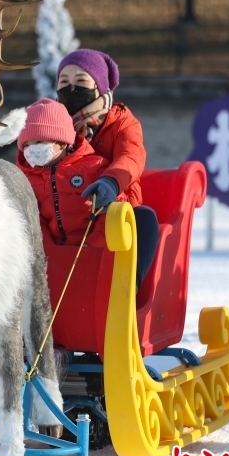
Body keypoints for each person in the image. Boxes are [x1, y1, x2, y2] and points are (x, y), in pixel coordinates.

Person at [54, 48, 159, 289]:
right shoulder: (55, 124)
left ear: (99, 87)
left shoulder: (121, 122)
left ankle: (126, 291)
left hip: (114, 210)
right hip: (67, 215)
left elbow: (131, 156)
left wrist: (111, 182)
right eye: (64, 82)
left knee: (144, 219)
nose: (71, 89)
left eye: (81, 82)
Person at [15, 98, 112, 249]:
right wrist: (47, 249)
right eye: (26, 145)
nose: (31, 150)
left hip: (95, 251)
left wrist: (93, 244)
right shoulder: (26, 178)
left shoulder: (94, 167)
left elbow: (110, 210)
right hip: (52, 256)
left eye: (39, 142)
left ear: (62, 143)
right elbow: (33, 218)